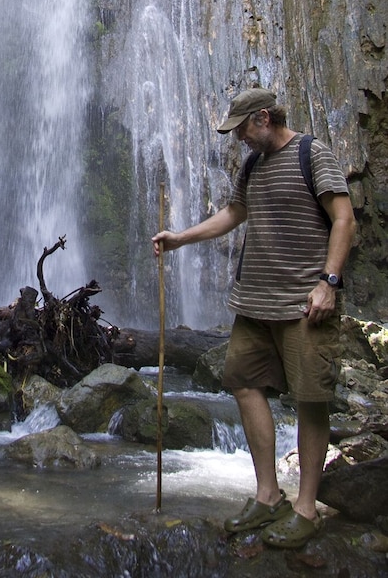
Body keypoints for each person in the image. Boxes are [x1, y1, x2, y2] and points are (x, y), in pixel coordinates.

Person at [152, 87, 356, 550]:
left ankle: (306, 507)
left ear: (264, 118)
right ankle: (268, 495)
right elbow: (234, 213)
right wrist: (181, 238)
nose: (238, 138)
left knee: (310, 398)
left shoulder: (312, 154)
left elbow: (343, 218)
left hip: (304, 302)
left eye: (242, 128)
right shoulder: (253, 166)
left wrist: (330, 281)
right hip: (254, 303)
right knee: (242, 381)